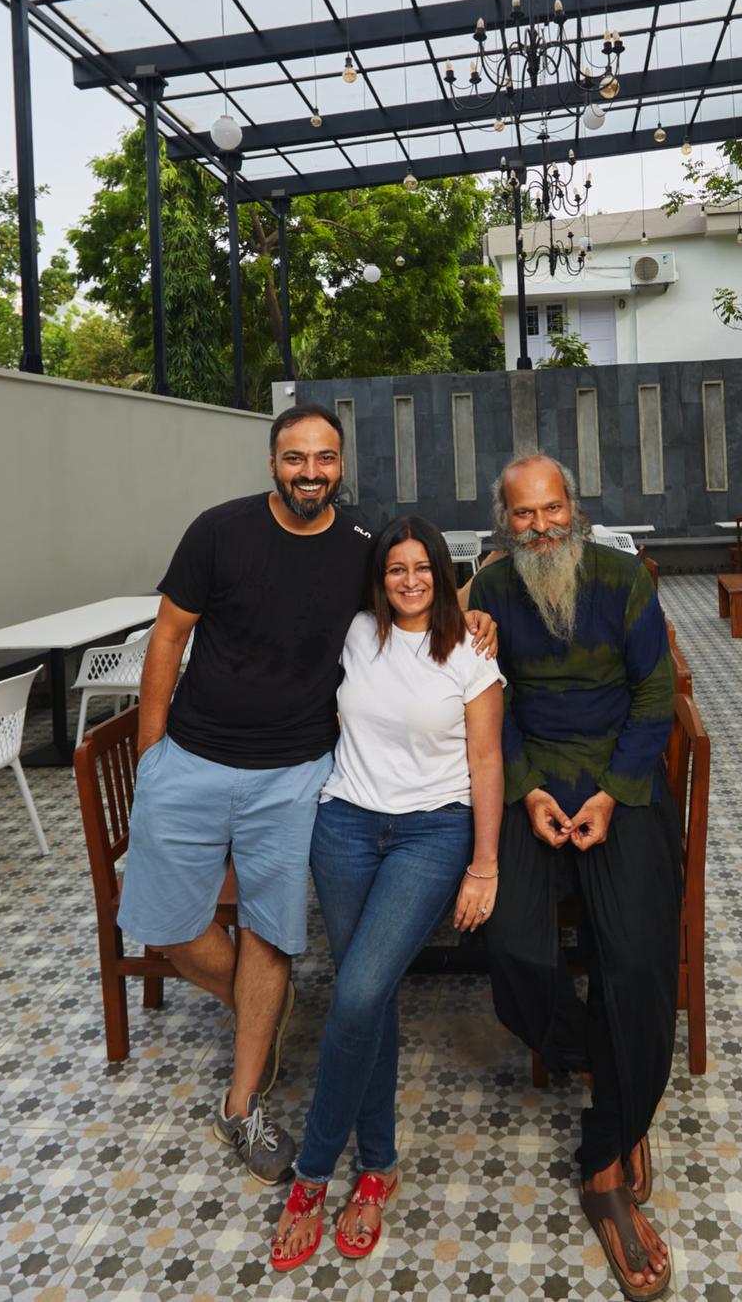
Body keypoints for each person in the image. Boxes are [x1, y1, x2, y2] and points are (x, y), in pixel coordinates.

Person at [116, 405, 497, 1187]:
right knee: (167, 928)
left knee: (269, 933)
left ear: (340, 464)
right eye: (296, 457)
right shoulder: (217, 531)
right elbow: (168, 635)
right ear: (272, 463)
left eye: (325, 457)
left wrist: (473, 606)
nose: (311, 471)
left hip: (296, 777)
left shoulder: (359, 545)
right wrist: (153, 753)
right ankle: (265, 1004)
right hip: (190, 757)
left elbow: (413, 583)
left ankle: (241, 1100)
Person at [466, 454, 680, 1302]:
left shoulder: (625, 579)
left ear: (575, 509)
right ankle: (615, 1066)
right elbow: (488, 704)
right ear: (503, 522)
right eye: (523, 515)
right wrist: (524, 794)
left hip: (617, 780)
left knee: (636, 960)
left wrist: (610, 795)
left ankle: (605, 1159)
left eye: (553, 509)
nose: (541, 526)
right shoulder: (488, 593)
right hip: (529, 780)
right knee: (513, 952)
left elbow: (654, 695)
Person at [270, 515, 504, 1273]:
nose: (409, 580)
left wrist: (485, 864)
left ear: (442, 569)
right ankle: (378, 1166)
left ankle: (311, 1173)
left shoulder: (470, 648)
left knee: (360, 988)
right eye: (395, 569)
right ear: (381, 577)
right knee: (370, 997)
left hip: (432, 833)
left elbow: (487, 760)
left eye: (422, 567)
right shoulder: (357, 630)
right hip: (343, 826)